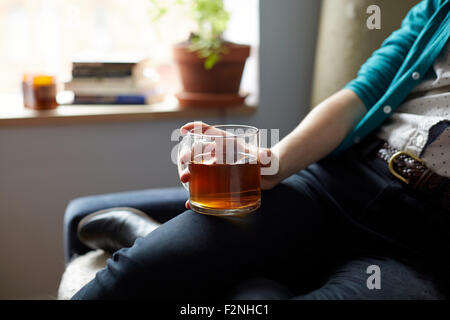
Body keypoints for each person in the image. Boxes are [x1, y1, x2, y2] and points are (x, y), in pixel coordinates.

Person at [71, 0, 449, 299]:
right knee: (142, 270)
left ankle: (147, 231)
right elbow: (361, 94)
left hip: (420, 246)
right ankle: (155, 242)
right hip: (337, 185)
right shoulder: (439, 8)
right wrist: (269, 164)